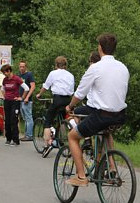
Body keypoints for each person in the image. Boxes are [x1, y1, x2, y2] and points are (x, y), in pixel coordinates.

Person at [64, 33, 129, 186]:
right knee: (106, 133)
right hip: (120, 116)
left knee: (72, 137)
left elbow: (80, 93)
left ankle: (81, 177)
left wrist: (70, 106)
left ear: (100, 48)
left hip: (102, 115)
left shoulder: (95, 68)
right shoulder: (123, 67)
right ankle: (111, 167)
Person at [36, 55, 75, 156]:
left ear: (56, 65)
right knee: (64, 120)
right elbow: (71, 90)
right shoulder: (70, 75)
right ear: (65, 65)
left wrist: (39, 94)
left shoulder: (53, 73)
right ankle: (68, 143)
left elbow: (46, 86)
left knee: (48, 122)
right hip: (68, 100)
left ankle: (47, 146)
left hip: (57, 99)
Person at [0, 64, 25, 146]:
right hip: (7, 101)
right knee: (7, 120)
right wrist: (5, 96)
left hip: (15, 102)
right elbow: (2, 89)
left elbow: (26, 88)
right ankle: (8, 139)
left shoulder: (16, 79)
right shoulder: (5, 80)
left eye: (5, 72)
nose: (4, 74)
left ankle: (15, 140)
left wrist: (21, 98)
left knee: (13, 120)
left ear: (9, 71)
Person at [18, 61, 36, 141]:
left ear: (26, 67)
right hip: (21, 99)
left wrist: (27, 97)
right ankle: (26, 134)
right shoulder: (19, 76)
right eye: (20, 66)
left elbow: (32, 86)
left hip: (27, 100)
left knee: (28, 117)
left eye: (23, 66)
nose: (21, 68)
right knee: (25, 118)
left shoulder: (29, 74)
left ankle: (30, 135)